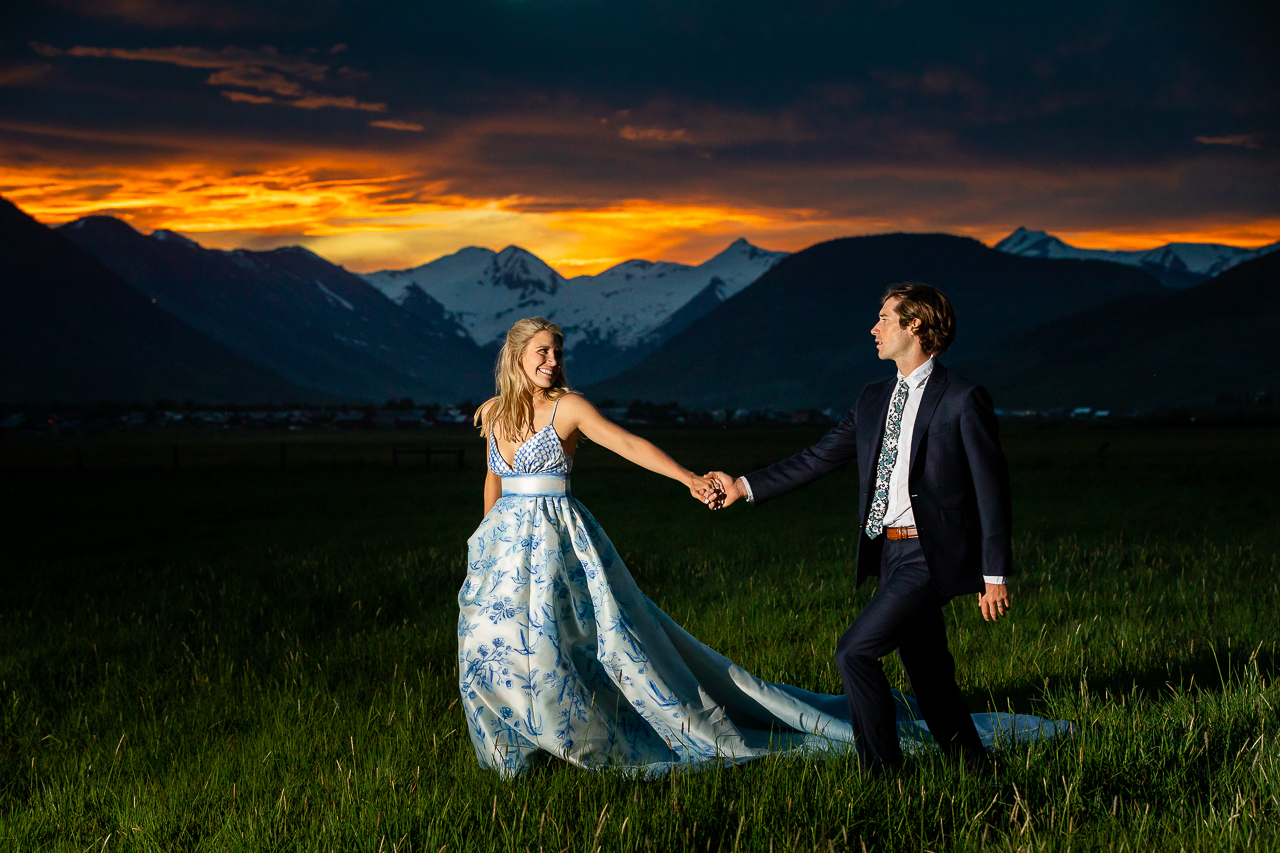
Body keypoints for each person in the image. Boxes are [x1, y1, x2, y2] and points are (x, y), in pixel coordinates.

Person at [459, 315, 1062, 779]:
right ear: (516, 357)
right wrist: (485, 541)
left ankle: (892, 772)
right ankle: (522, 746)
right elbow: (492, 479)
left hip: (562, 544)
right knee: (496, 645)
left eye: (558, 352)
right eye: (543, 352)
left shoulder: (571, 407)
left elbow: (630, 446)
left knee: (580, 644)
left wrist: (693, 479)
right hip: (504, 549)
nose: (554, 360)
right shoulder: (491, 414)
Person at [705, 282, 1015, 773]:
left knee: (854, 652)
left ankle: (884, 774)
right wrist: (743, 486)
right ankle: (977, 767)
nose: (874, 328)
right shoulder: (873, 399)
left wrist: (993, 573)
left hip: (928, 556)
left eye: (885, 318)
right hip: (887, 552)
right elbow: (819, 457)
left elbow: (991, 490)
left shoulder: (961, 398)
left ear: (915, 325)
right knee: (929, 673)